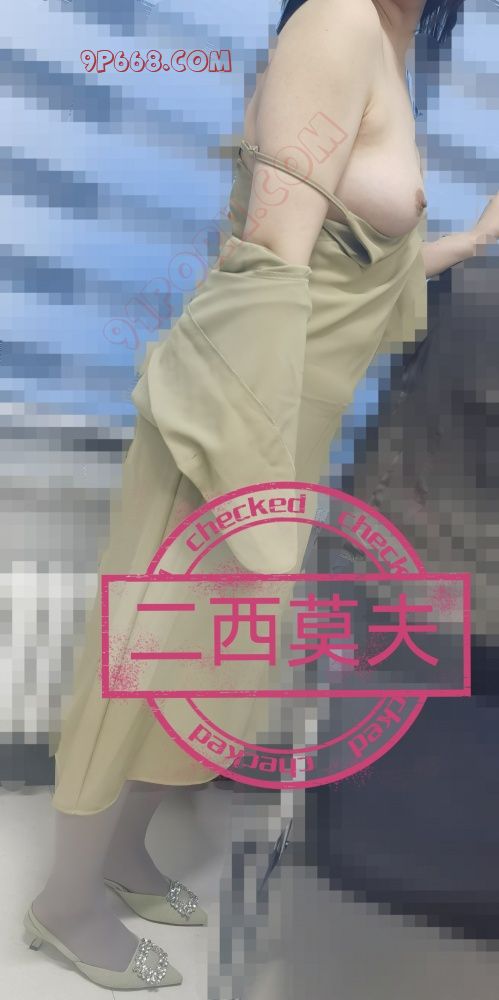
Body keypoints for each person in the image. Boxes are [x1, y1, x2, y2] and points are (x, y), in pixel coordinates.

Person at [23, 0, 499, 990]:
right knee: (144, 657)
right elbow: (267, 267)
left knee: (207, 667)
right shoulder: (336, 22)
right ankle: (64, 905)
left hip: (289, 417)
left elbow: (360, 277)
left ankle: (123, 855)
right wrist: (257, 478)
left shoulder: (395, 43)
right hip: (231, 415)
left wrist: (468, 242)